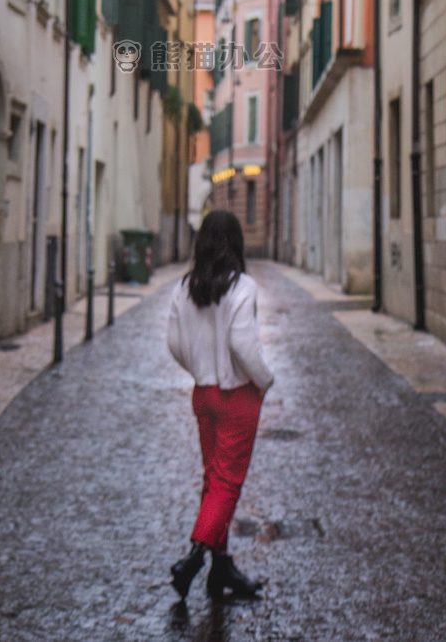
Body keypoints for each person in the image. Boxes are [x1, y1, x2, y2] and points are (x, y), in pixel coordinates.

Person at [167, 209, 274, 600]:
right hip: (236, 394)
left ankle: (221, 568)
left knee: (214, 481)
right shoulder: (242, 286)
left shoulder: (185, 287)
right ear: (236, 244)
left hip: (204, 393)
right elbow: (242, 344)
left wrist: (199, 368)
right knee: (227, 483)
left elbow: (175, 344)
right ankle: (195, 558)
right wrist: (264, 380)